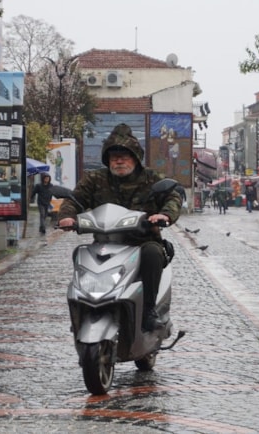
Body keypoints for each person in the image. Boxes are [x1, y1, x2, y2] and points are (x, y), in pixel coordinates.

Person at [58, 123, 181, 332]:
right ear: (107, 160)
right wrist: (67, 217)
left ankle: (149, 310)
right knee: (80, 254)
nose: (119, 160)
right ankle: (83, 308)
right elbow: (74, 200)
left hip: (142, 241)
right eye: (114, 156)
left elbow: (172, 196)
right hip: (106, 242)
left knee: (153, 254)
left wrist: (165, 215)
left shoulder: (151, 178)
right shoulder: (95, 179)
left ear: (135, 157)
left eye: (125, 155)